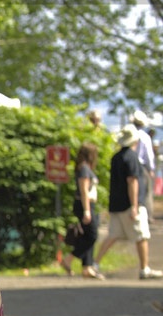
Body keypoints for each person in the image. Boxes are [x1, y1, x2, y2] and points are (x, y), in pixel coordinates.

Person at [95, 125, 163, 279]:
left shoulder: (116, 157)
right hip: (129, 204)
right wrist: (135, 205)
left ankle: (95, 263)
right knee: (142, 236)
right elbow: (132, 181)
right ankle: (144, 268)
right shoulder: (132, 157)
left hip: (116, 204)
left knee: (112, 235)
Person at [61, 142, 104, 279]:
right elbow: (84, 190)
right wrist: (86, 210)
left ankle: (87, 267)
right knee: (92, 235)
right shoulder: (84, 169)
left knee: (87, 235)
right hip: (84, 204)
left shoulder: (85, 168)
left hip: (89, 205)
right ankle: (69, 259)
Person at [130, 110, 156, 219]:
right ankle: (147, 216)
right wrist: (151, 169)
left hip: (130, 165)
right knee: (147, 193)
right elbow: (149, 155)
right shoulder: (145, 137)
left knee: (133, 191)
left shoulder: (130, 135)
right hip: (142, 167)